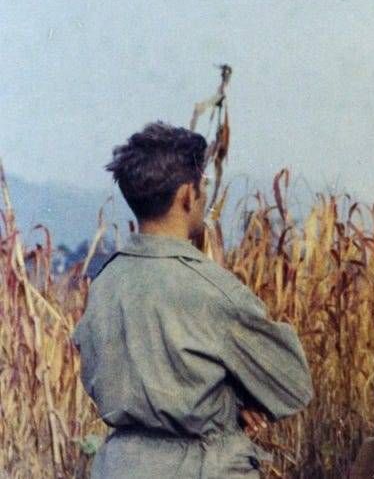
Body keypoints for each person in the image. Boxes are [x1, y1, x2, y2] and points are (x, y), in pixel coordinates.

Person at [73, 122, 313, 478]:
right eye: (204, 184)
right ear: (188, 194)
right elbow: (292, 384)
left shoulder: (105, 283)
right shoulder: (211, 289)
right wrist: (233, 402)